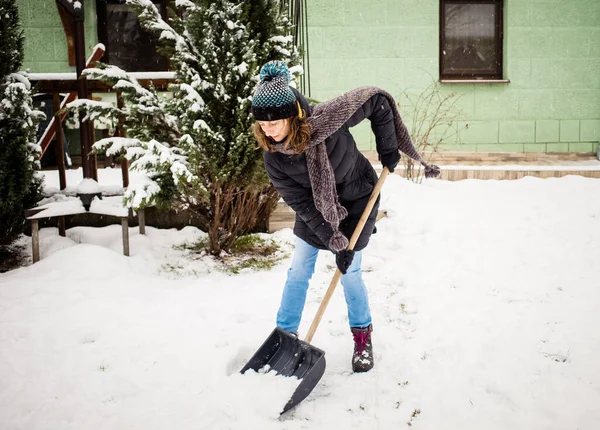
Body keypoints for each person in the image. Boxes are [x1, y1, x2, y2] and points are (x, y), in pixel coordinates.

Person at [251, 61, 439, 373]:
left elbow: (377, 100)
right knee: (298, 270)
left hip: (357, 201)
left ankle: (362, 339)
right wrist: (331, 237)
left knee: (350, 273)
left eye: (275, 123)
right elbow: (299, 201)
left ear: (292, 115)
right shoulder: (274, 157)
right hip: (315, 210)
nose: (269, 132)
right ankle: (284, 336)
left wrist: (388, 146)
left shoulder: (327, 120)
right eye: (262, 125)